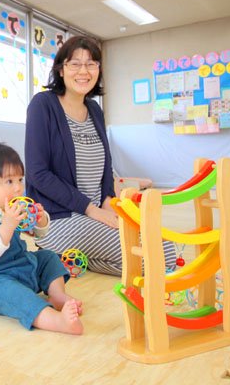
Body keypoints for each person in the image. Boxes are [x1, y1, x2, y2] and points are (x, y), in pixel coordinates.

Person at [25, 36, 177, 275]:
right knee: (157, 255)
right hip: (60, 218)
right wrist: (91, 210)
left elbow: (106, 164)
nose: (83, 71)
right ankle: (55, 250)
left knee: (165, 243)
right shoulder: (43, 105)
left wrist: (107, 201)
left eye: (91, 64)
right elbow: (37, 173)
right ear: (61, 69)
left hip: (97, 211)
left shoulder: (94, 109)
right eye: (75, 63)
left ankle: (67, 260)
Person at [0, 143, 84, 335]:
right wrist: (7, 225)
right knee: (17, 296)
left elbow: (38, 235)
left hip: (22, 269)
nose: (18, 188)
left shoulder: (11, 209)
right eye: (9, 182)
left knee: (47, 256)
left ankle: (57, 295)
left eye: (20, 179)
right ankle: (58, 321)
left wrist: (40, 221)